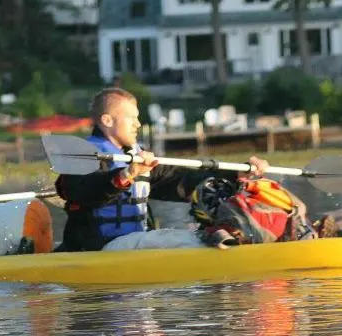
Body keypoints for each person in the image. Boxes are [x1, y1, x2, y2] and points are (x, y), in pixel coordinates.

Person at [53, 87, 272, 252]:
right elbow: (83, 192)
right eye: (131, 118)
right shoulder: (81, 156)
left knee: (187, 234)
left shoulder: (137, 156)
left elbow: (182, 179)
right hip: (98, 249)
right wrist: (126, 174)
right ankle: (223, 249)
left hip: (132, 245)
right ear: (107, 120)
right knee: (193, 240)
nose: (138, 124)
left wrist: (234, 174)